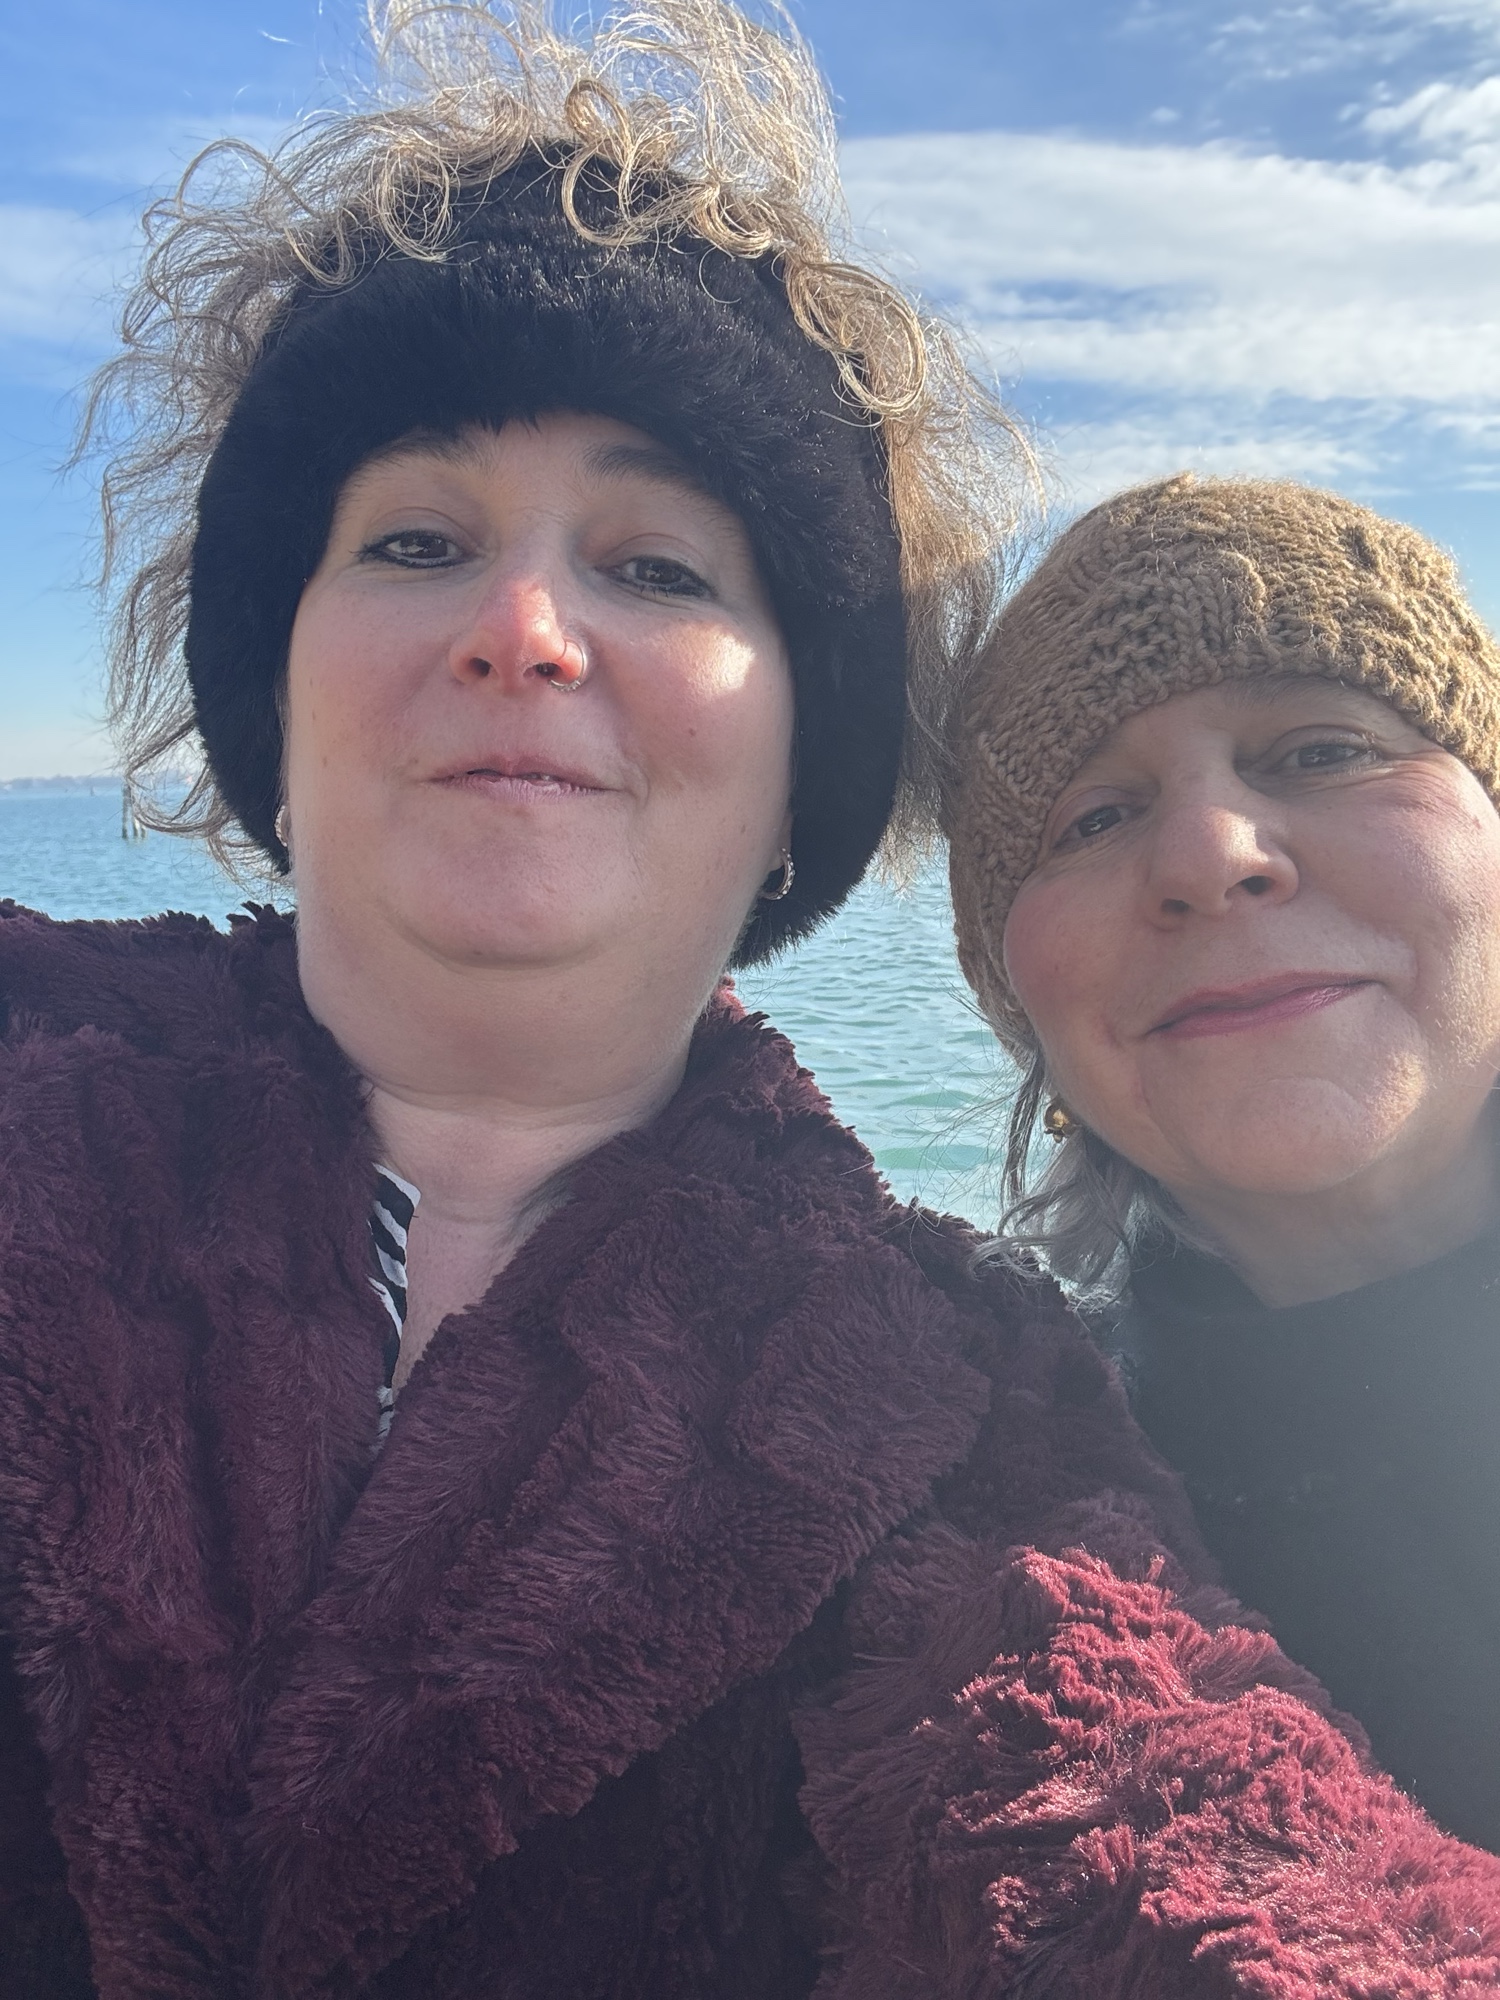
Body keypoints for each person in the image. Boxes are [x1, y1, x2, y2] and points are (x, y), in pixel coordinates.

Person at [5, 9, 1500, 1989]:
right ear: (271, 700)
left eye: (658, 569)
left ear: (807, 775)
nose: (524, 628)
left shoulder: (954, 1409)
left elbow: (1178, 1830)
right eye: (418, 541)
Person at [947, 471, 1500, 1855]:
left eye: (1320, 750)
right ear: (1021, 1003)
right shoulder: (995, 1513)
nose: (1210, 854)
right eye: (1093, 819)